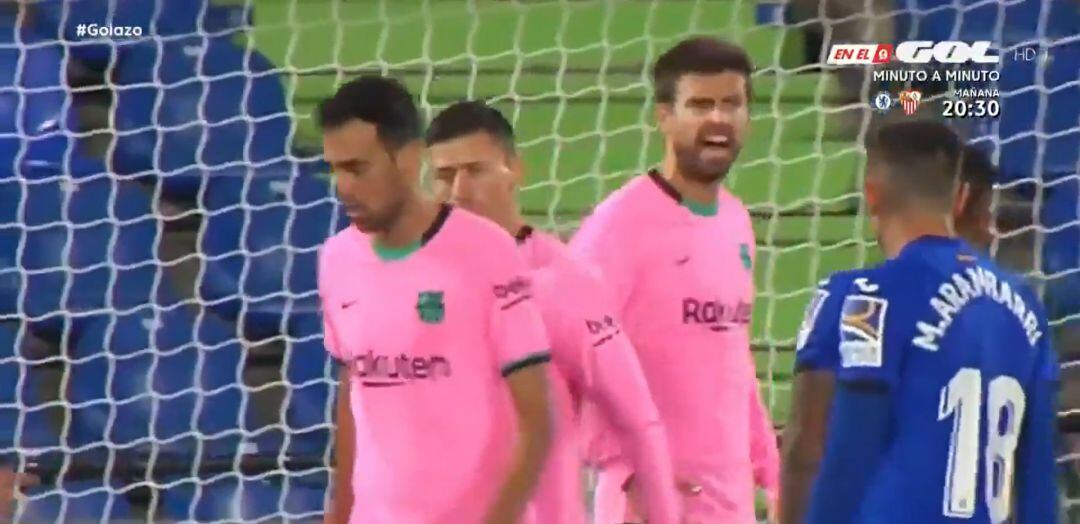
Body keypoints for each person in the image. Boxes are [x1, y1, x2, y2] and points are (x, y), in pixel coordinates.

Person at [425, 100, 681, 524]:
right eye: (444, 176)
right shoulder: (417, 283)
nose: (458, 191)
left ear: (515, 170)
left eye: (475, 170)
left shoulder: (564, 284)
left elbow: (637, 419)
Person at [317, 76, 555, 524]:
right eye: (335, 169)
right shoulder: (337, 259)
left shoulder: (487, 251)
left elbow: (537, 418)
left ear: (408, 161)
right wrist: (339, 515)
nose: (343, 186)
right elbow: (355, 392)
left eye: (357, 168)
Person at [803, 121, 1059, 523]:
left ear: (872, 196)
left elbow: (842, 451)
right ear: (960, 197)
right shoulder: (1025, 307)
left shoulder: (868, 297)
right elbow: (1038, 474)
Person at [569, 37, 780, 523]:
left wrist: (771, 472)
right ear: (664, 115)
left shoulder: (735, 221)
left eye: (732, 104)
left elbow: (732, 357)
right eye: (700, 104)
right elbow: (566, 362)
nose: (719, 120)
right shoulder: (616, 229)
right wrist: (631, 474)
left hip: (730, 507)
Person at [779, 141, 1001, 523]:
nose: (992, 230)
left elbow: (808, 447)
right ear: (960, 202)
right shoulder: (1013, 315)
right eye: (987, 214)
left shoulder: (851, 297)